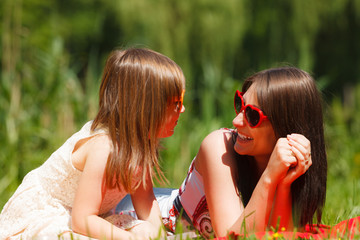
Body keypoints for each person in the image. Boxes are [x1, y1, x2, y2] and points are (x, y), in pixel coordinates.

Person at [116, 66, 327, 238]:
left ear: (286, 125)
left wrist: (286, 182)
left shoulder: (296, 159)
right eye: (240, 104)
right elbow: (232, 236)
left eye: (252, 116)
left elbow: (279, 233)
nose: (236, 121)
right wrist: (270, 178)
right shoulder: (219, 146)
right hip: (138, 214)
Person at [0, 47, 186, 240]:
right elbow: (82, 221)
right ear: (146, 107)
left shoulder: (141, 146)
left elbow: (145, 201)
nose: (182, 109)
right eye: (176, 102)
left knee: (145, 232)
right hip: (51, 214)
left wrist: (160, 236)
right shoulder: (105, 148)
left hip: (88, 217)